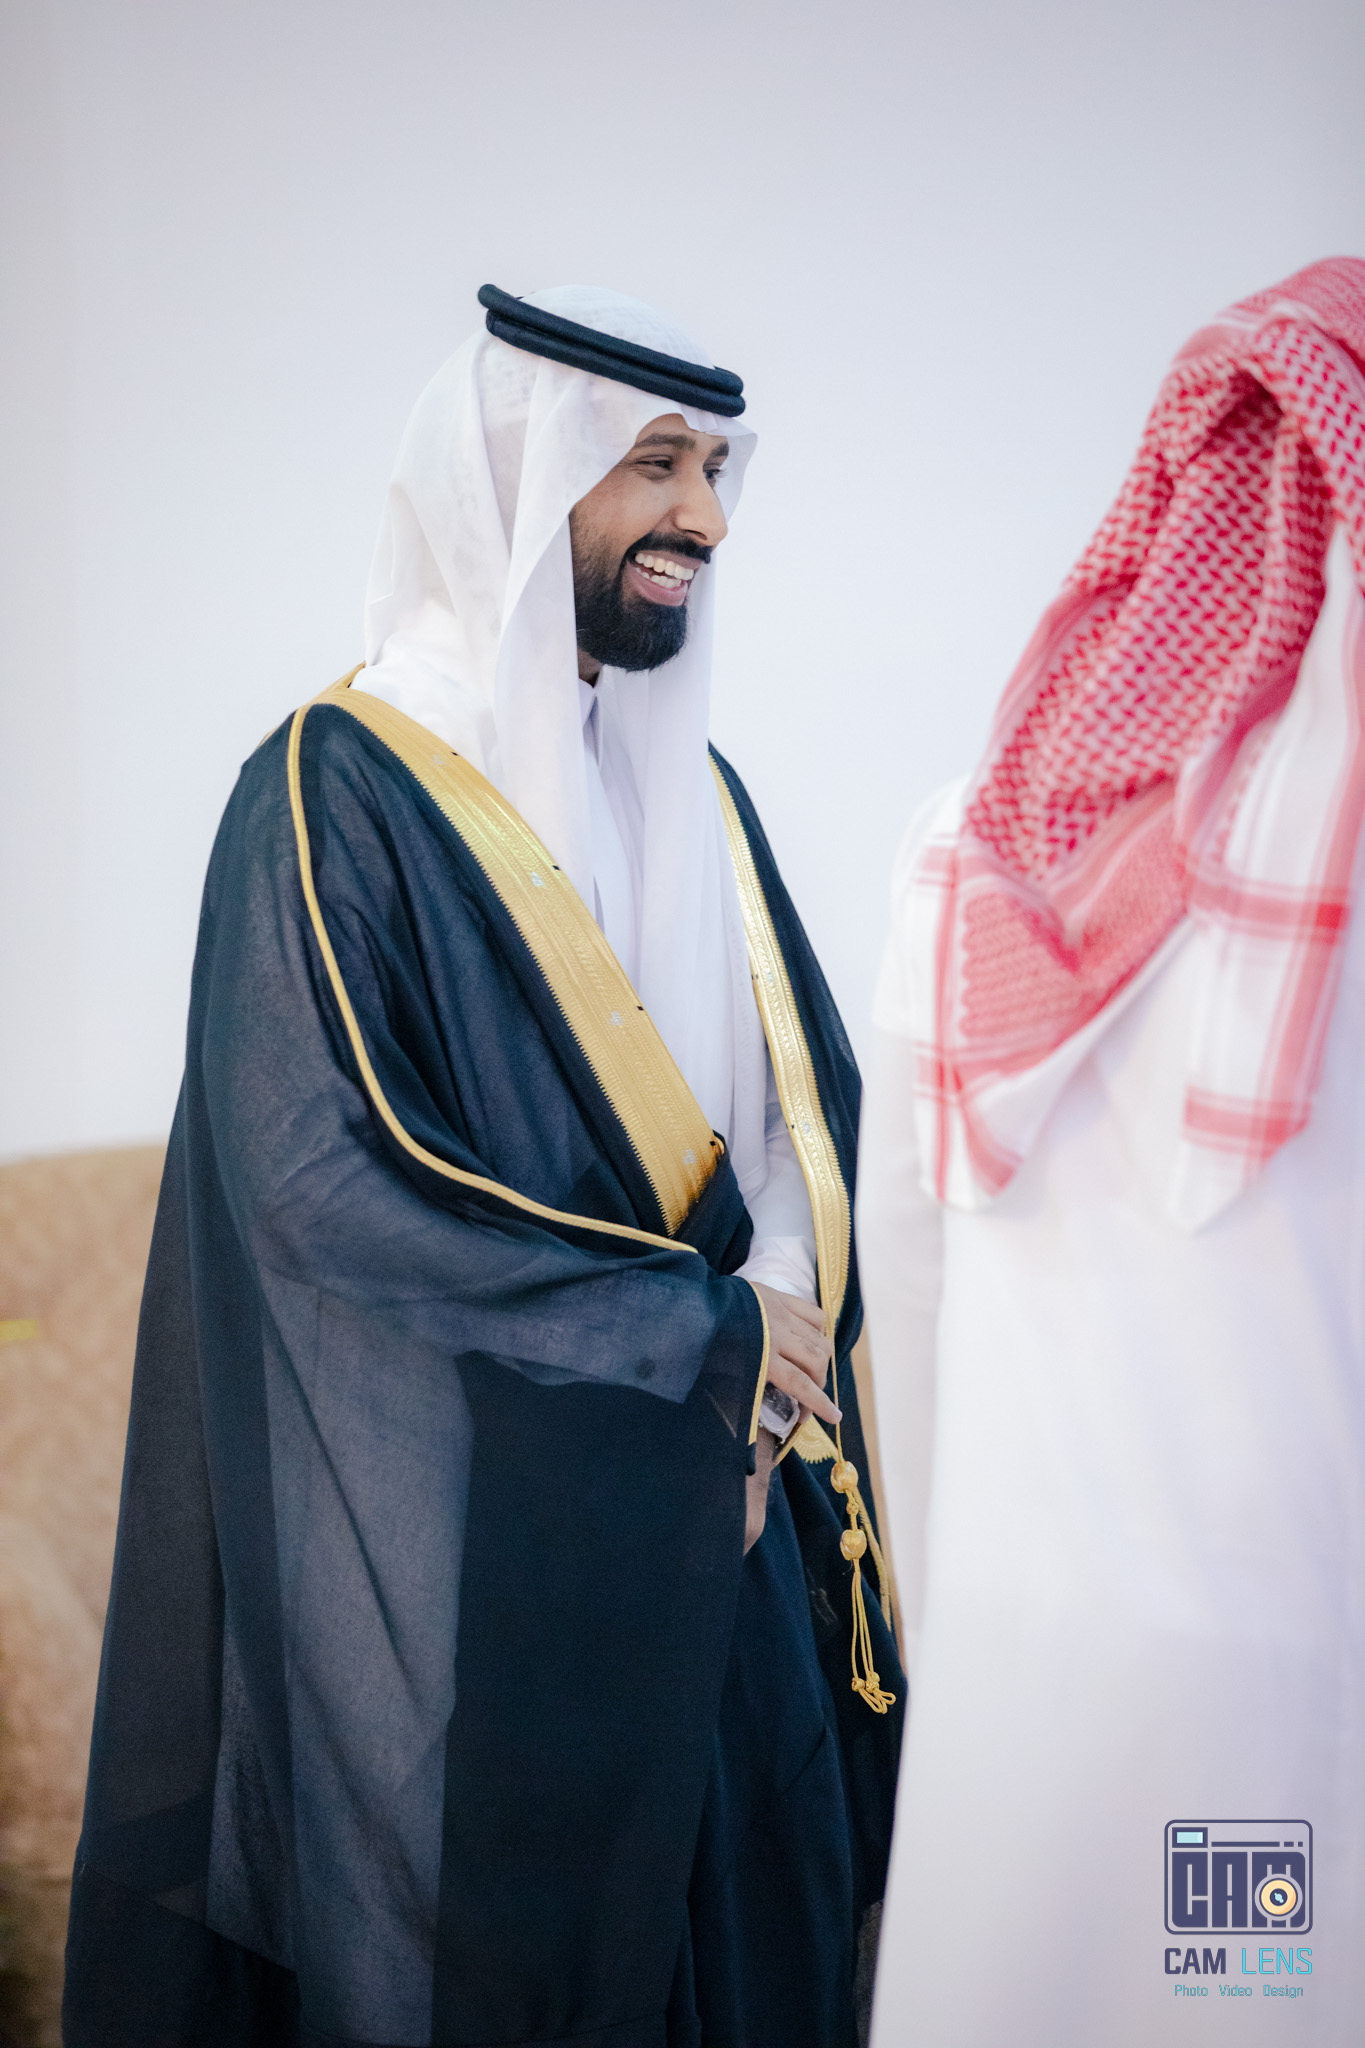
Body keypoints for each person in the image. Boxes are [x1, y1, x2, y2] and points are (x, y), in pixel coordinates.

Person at [62, 284, 902, 2048]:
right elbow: (320, 1175)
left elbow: (800, 1121)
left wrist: (754, 1376)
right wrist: (694, 1350)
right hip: (480, 1556)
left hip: (724, 1517)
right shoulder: (332, 789)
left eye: (718, 469)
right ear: (520, 475)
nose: (704, 516)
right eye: (654, 463)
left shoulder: (698, 791)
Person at [858, 258, 1365, 2046]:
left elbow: (899, 1288)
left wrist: (950, 1623)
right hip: (1269, 1695)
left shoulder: (962, 851)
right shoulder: (1331, 870)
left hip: (1010, 1662)